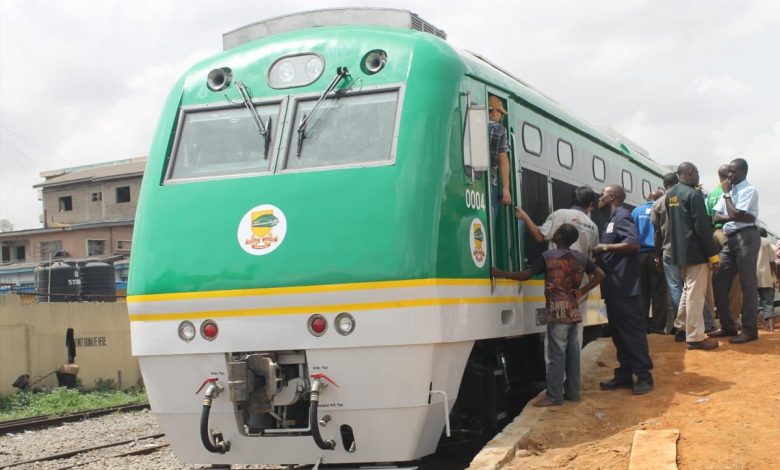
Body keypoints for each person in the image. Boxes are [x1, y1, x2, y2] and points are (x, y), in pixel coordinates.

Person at [492, 224, 605, 407]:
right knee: (573, 353)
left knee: (556, 355)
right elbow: (600, 274)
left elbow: (525, 275)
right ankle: (574, 393)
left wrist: (501, 273)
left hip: (556, 312)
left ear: (559, 237)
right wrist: (582, 290)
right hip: (574, 311)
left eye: (556, 231)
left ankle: (554, 396)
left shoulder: (548, 257)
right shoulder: (580, 258)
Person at [593, 185, 654, 395]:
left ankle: (644, 377)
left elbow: (633, 244)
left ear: (611, 197)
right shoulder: (611, 220)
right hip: (614, 288)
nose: (599, 198)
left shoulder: (622, 216)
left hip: (625, 288)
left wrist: (606, 247)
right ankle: (624, 375)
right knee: (619, 334)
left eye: (602, 194)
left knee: (632, 333)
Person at [666, 162, 720, 350]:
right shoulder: (694, 194)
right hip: (696, 252)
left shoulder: (670, 195)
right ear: (689, 172)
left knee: (688, 290)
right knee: (696, 294)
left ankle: (681, 326)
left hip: (680, 251)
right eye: (697, 173)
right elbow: (702, 228)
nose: (698, 176)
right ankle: (695, 337)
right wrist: (713, 255)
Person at [710, 158, 760, 343]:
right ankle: (728, 326)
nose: (728, 175)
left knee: (748, 284)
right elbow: (717, 216)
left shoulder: (749, 190)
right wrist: (738, 215)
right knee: (718, 279)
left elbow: (732, 214)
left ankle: (749, 330)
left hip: (746, 237)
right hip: (730, 240)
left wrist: (729, 201)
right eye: (728, 171)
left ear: (742, 172)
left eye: (732, 171)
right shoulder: (729, 192)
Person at [708, 163, 742, 329]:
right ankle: (734, 319)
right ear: (728, 176)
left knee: (717, 279)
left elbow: (709, 218)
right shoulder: (732, 191)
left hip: (715, 235)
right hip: (730, 234)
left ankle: (721, 321)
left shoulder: (711, 194)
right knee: (735, 280)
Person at [633, 190, 668, 333]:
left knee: (642, 293)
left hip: (639, 255)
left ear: (648, 198)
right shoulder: (661, 209)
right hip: (656, 254)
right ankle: (658, 328)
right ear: (660, 199)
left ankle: (643, 327)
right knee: (659, 293)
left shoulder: (636, 211)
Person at [652, 173, 681, 335]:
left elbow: (657, 233)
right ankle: (701, 322)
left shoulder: (658, 204)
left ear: (664, 185)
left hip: (668, 250)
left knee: (675, 287)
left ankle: (679, 324)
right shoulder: (684, 197)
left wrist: (657, 255)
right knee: (689, 287)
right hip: (687, 251)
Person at [488, 95, 512, 222]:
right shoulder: (500, 130)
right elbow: (503, 160)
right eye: (501, 113)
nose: (501, 117)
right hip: (491, 183)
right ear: (494, 112)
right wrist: (506, 189)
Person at [756, 228, 777, 331]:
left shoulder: (751, 242)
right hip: (766, 277)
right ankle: (771, 328)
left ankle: (762, 326)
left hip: (753, 278)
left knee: (759, 303)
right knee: (768, 302)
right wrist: (774, 275)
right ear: (765, 235)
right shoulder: (767, 242)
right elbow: (772, 261)